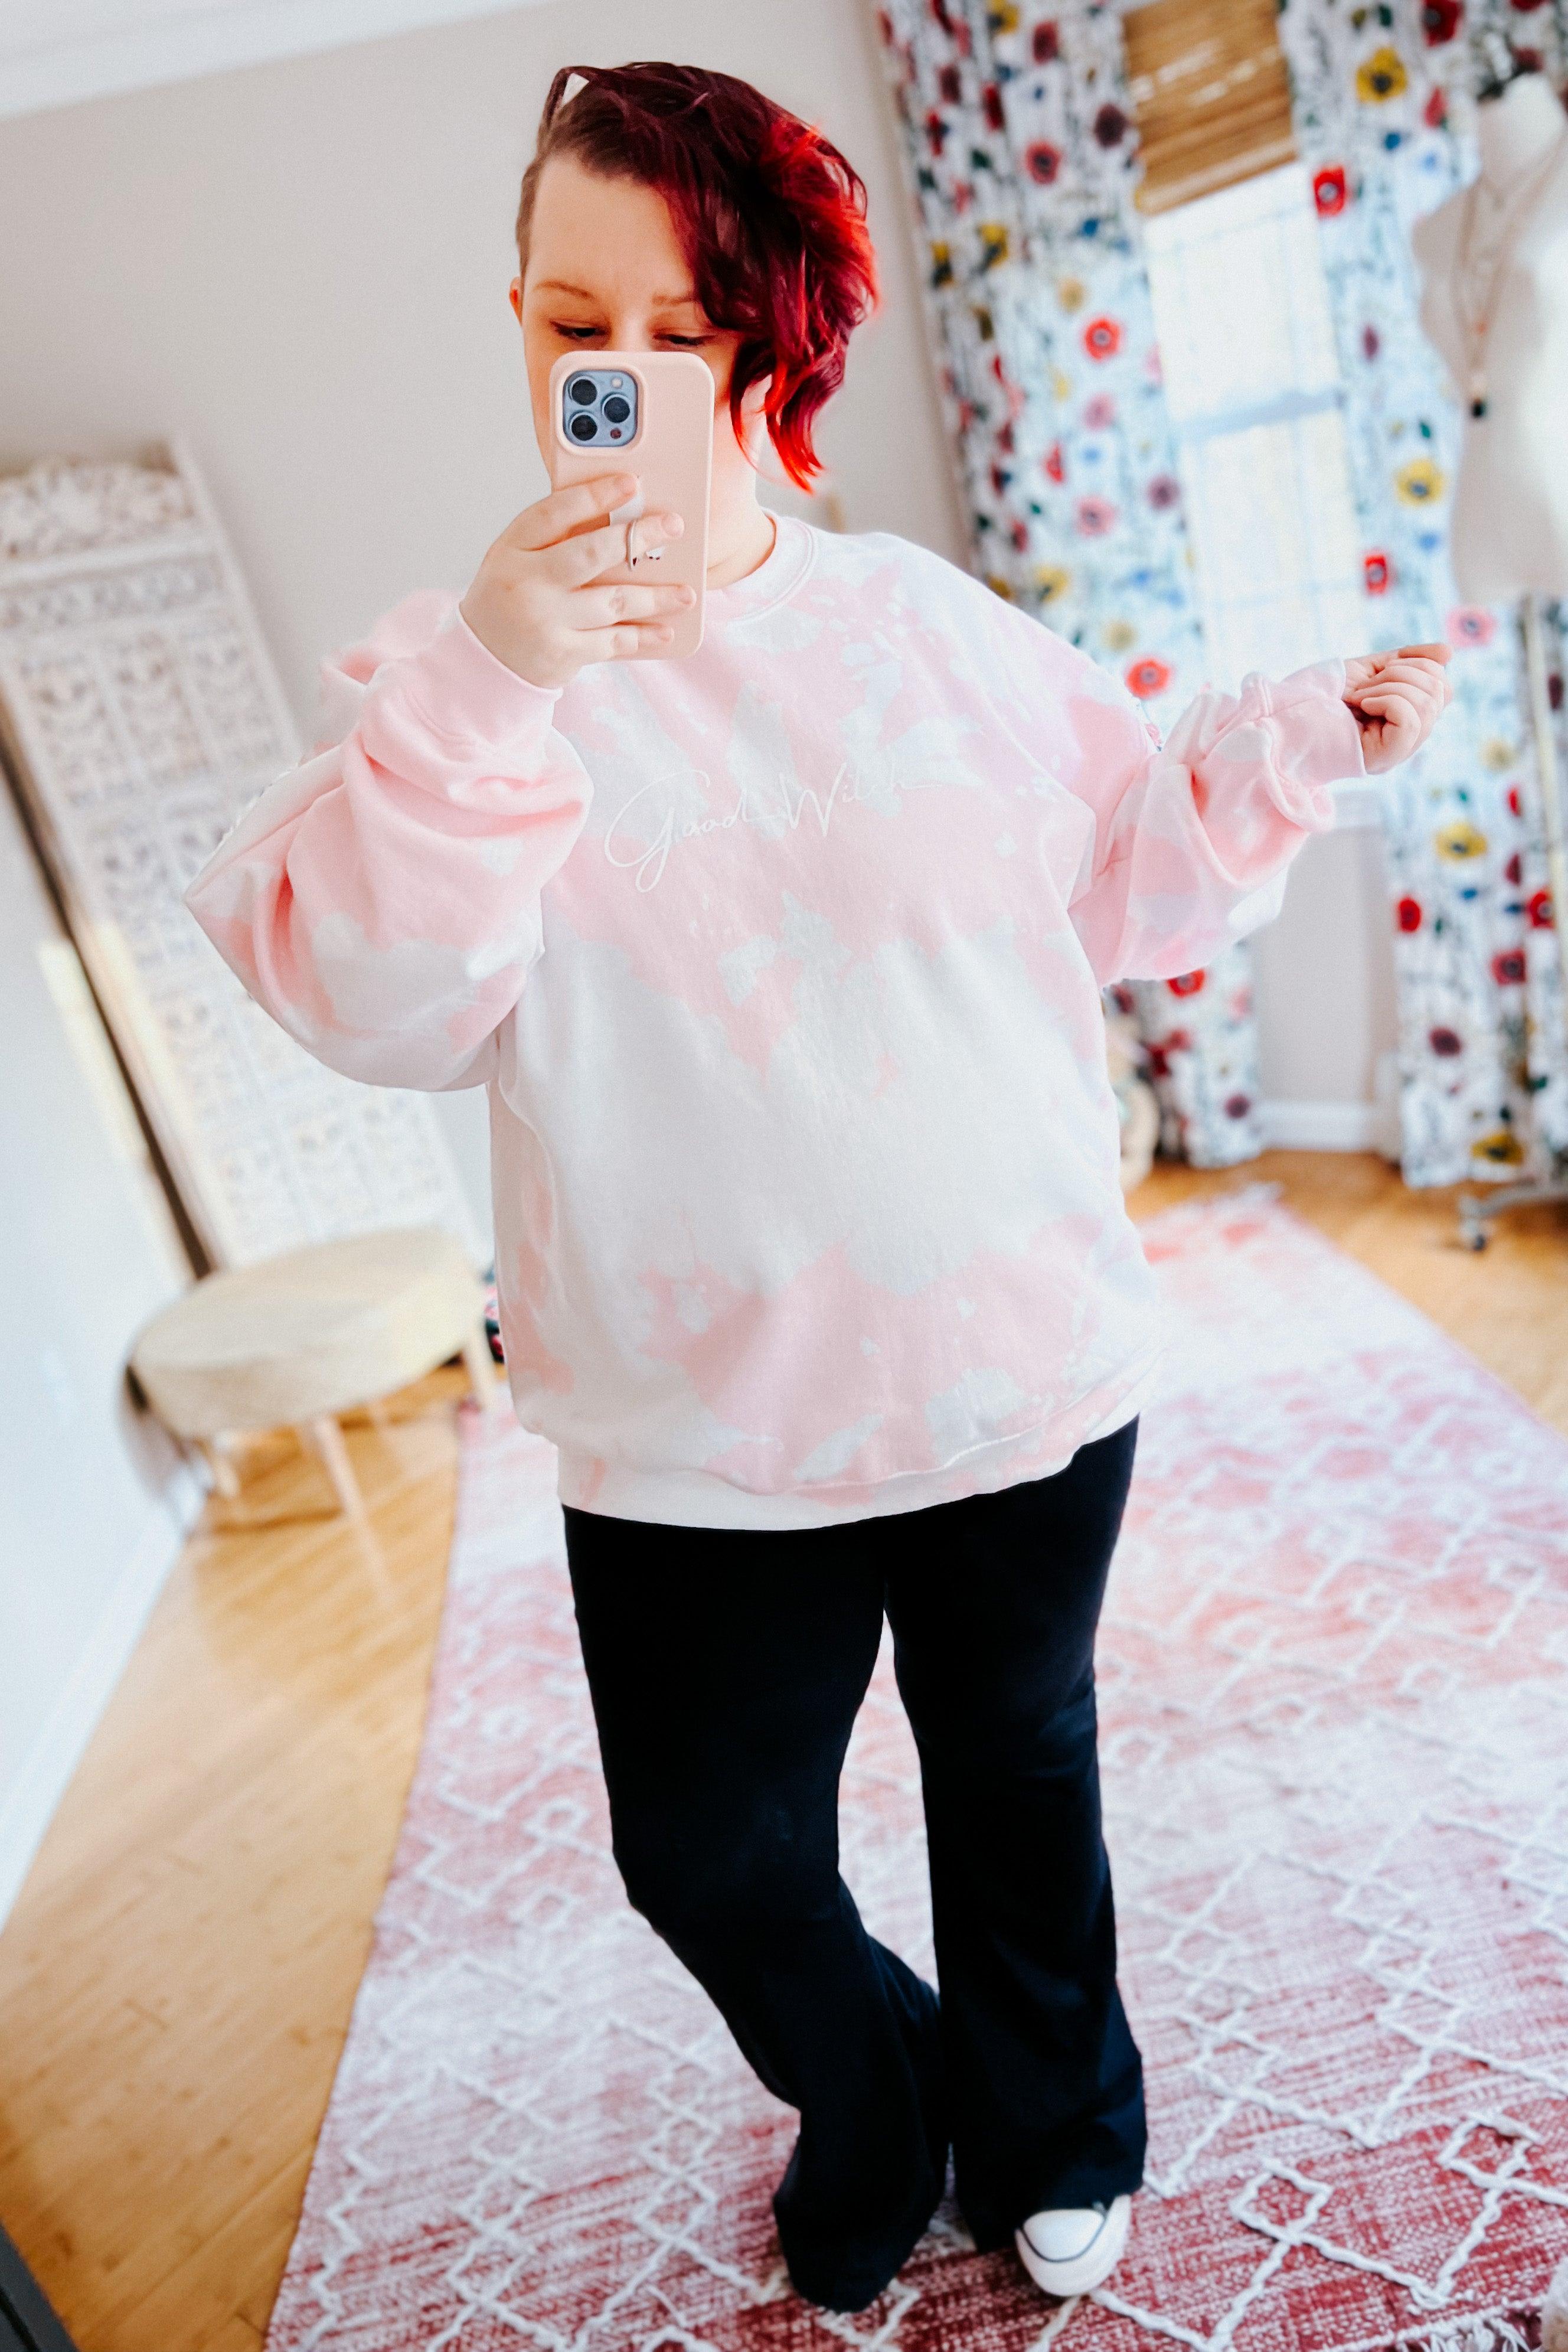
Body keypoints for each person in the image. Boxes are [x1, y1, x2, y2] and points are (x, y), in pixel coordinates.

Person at [186, 60, 1451, 2317]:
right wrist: (497, 675)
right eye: (581, 326)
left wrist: (1283, 745)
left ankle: (1061, 2126)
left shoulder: (927, 627)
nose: (626, 381)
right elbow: (374, 992)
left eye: (684, 335)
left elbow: (1128, 861)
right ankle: (882, 2090)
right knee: (709, 1857)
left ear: (774, 342)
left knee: (1018, 1787)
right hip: (691, 1435)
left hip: (1010, 1377)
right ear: (520, 323)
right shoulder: (459, 686)